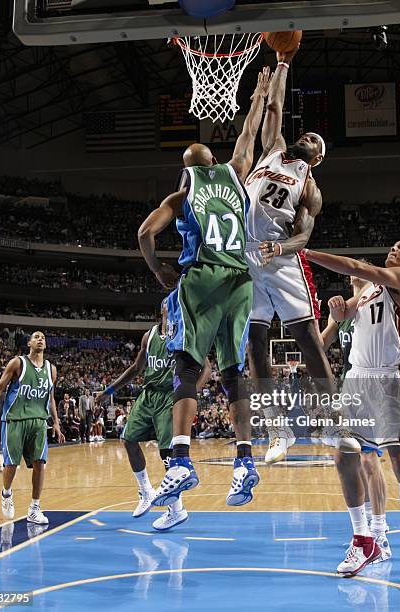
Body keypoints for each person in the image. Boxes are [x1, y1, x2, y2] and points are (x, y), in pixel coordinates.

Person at [138, 67, 272, 508]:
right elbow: (250, 131)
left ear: (186, 171)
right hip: (241, 281)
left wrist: (160, 271)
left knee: (188, 371)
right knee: (234, 375)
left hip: (203, 279)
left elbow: (144, 234)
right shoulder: (234, 173)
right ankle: (244, 462)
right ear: (212, 163)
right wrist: (259, 93)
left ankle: (179, 460)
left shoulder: (180, 196)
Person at [303, 234, 400, 592]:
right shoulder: (366, 292)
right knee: (345, 458)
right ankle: (364, 539)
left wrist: (302, 252)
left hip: (390, 379)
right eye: (393, 246)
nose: (394, 249)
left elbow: (356, 267)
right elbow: (339, 322)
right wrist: (337, 312)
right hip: (357, 379)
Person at [245, 48, 344, 463]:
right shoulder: (274, 149)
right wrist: (283, 64)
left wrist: (278, 247)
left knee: (307, 340)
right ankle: (276, 427)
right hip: (246, 257)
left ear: (318, 158)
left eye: (314, 141)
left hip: (282, 260)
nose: (307, 138)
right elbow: (277, 107)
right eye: (307, 135)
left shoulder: (310, 187)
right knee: (254, 341)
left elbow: (303, 236)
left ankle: (337, 422)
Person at [96, 300, 210, 530]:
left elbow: (206, 368)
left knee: (169, 455)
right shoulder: (148, 337)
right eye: (169, 304)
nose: (173, 305)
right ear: (162, 310)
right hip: (148, 395)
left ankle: (176, 510)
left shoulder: (186, 332)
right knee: (128, 439)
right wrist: (110, 390)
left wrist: (188, 395)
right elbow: (136, 369)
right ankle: (146, 490)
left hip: (171, 395)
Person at [0, 330, 65, 524]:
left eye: (43, 337)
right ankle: (6, 493)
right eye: (36, 337)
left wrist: (56, 422)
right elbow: (0, 386)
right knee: (11, 464)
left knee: (40, 463)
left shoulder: (51, 369)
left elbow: (51, 397)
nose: (40, 339)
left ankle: (34, 508)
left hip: (38, 421)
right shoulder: (18, 363)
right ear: (29, 343)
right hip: (15, 420)